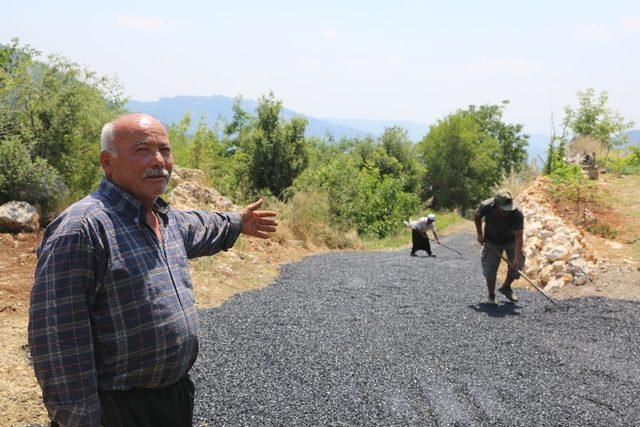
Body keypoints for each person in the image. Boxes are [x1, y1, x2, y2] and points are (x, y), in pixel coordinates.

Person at [28, 113, 278, 427]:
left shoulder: (164, 218)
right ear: (108, 162)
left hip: (171, 401)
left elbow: (203, 226)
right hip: (117, 410)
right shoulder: (83, 229)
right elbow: (57, 343)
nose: (159, 161)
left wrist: (239, 222)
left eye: (165, 150)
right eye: (142, 150)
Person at [474, 189, 525, 305]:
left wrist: (516, 257)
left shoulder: (517, 213)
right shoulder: (486, 206)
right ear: (496, 204)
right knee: (490, 269)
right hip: (491, 241)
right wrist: (480, 234)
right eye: (504, 208)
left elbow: (519, 236)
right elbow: (477, 215)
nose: (507, 211)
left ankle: (506, 287)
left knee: (518, 266)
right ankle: (491, 296)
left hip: (511, 241)